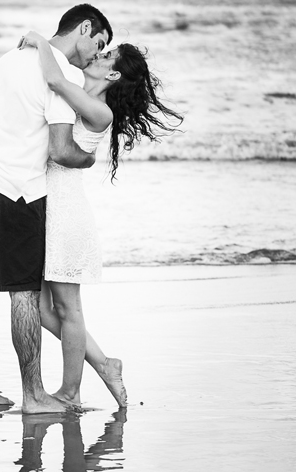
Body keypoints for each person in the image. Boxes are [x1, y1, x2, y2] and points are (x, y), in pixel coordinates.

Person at [15, 29, 184, 408]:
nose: (97, 56)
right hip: (44, 205)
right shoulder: (77, 96)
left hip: (67, 212)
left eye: (106, 57)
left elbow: (54, 77)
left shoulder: (99, 110)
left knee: (68, 308)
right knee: (42, 309)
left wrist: (42, 42)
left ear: (112, 76)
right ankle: (105, 364)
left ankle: (71, 392)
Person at [0, 4, 112, 414]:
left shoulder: (9, 58)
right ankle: (34, 395)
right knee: (24, 295)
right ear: (84, 28)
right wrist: (89, 158)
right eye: (97, 43)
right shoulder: (64, 73)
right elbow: (61, 149)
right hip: (19, 191)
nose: (93, 54)